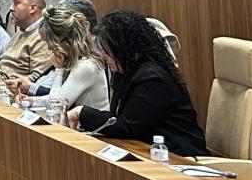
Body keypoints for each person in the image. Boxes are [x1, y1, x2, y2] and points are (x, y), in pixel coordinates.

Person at [68, 10, 208, 155]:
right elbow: (117, 119)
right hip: (147, 150)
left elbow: (127, 126)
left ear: (123, 49)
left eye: (108, 52)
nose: (104, 57)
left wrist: (82, 113)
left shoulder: (153, 78)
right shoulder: (125, 72)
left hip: (180, 157)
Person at [11, 6, 110, 112]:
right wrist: (32, 101)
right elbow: (60, 96)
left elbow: (56, 106)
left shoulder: (86, 66)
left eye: (52, 45)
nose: (49, 48)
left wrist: (59, 70)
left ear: (68, 41)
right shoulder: (78, 61)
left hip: (91, 128)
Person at [0, 0, 53, 88]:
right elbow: (2, 65)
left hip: (13, 94)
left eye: (16, 3)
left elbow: (38, 79)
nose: (10, 8)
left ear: (33, 8)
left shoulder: (44, 36)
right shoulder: (21, 31)